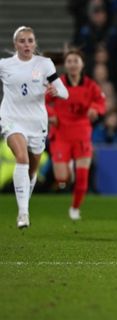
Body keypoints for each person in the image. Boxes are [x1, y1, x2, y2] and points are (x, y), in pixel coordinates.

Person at [0, 26, 69, 228]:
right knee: (21, 158)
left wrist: (56, 91)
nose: (27, 44)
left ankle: (24, 204)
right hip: (11, 119)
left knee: (32, 171)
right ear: (15, 44)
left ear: (35, 43)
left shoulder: (45, 64)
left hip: (36, 122)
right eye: (22, 41)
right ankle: (23, 214)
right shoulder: (5, 65)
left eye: (30, 40)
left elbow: (65, 92)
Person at [46, 49, 105, 220]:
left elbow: (101, 102)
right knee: (62, 178)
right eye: (69, 61)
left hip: (81, 134)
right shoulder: (57, 85)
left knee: (82, 177)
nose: (72, 64)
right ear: (65, 65)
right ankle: (68, 167)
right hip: (62, 134)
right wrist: (51, 115)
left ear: (82, 64)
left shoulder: (90, 85)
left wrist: (96, 109)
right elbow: (42, 102)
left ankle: (75, 208)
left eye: (76, 61)